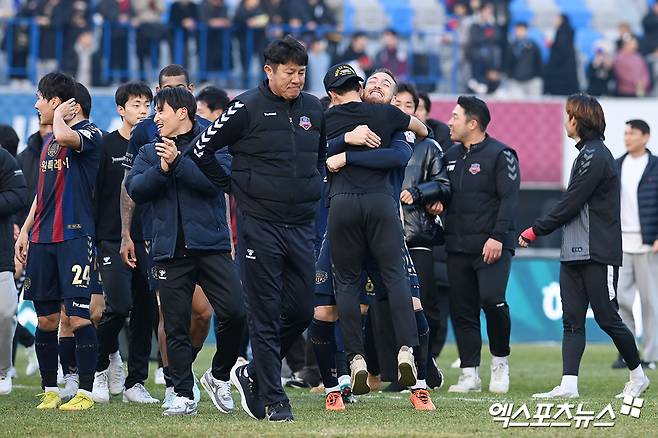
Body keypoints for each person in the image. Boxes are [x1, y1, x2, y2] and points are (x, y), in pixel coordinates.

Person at [188, 35, 326, 422]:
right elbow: (200, 149)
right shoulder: (246, 106)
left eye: (301, 72)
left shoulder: (314, 109)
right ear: (269, 71)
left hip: (301, 225)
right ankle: (274, 399)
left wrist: (311, 186)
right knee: (264, 314)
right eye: (289, 72)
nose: (296, 79)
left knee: (302, 310)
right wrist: (233, 187)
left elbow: (319, 158)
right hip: (259, 225)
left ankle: (251, 372)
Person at [520, 93, 650, 399]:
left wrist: (535, 230)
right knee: (572, 321)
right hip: (573, 250)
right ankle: (569, 385)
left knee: (607, 318)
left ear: (579, 119)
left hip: (598, 252)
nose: (565, 120)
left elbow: (571, 202)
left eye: (569, 114)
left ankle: (638, 376)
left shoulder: (596, 155)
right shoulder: (585, 154)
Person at [126, 87, 245, 417]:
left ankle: (218, 375)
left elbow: (217, 182)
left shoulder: (212, 141)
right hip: (168, 250)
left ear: (182, 113)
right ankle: (181, 393)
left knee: (235, 312)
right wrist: (162, 169)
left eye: (160, 111)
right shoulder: (150, 149)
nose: (155, 117)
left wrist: (178, 163)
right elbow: (135, 188)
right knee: (175, 325)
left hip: (211, 245)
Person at [322, 66, 428, 397]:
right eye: (372, 81)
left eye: (386, 83)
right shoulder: (388, 116)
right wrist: (345, 142)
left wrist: (345, 155)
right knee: (395, 279)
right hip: (380, 206)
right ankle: (405, 351)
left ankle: (356, 359)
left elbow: (313, 155)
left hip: (343, 205)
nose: (378, 85)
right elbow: (421, 129)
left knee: (347, 284)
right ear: (359, 88)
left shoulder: (328, 118)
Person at [120, 64, 212, 408]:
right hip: (157, 232)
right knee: (168, 313)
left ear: (190, 90)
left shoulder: (207, 130)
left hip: (201, 234)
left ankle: (185, 367)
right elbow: (130, 185)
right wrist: (126, 232)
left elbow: (218, 184)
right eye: (165, 90)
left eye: (179, 88)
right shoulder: (145, 131)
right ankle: (174, 381)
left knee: (202, 312)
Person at [15, 72, 103, 410]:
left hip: (74, 237)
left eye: (41, 98)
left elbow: (67, 135)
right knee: (46, 320)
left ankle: (85, 392)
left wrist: (61, 116)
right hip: (42, 238)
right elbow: (42, 193)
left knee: (78, 317)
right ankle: (51, 389)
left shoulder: (89, 133)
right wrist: (26, 230)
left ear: (58, 103)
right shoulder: (49, 141)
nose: (36, 105)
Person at [443, 95, 519, 394]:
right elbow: (443, 192)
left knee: (492, 301)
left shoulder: (502, 154)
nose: (449, 122)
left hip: (492, 246)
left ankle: (500, 363)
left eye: (455, 116)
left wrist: (498, 236)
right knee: (462, 311)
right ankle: (469, 373)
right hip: (456, 245)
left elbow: (510, 199)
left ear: (473, 123)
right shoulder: (449, 155)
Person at [91, 82, 159, 404]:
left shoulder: (154, 144)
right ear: (120, 109)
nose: (143, 111)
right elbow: (94, 195)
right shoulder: (105, 146)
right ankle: (101, 364)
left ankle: (135, 382)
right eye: (136, 104)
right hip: (110, 237)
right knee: (118, 306)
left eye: (147, 105)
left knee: (146, 309)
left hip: (148, 238)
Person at [395, 82, 451, 390]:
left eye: (409, 106)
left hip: (418, 235)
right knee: (382, 306)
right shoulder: (376, 140)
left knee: (422, 305)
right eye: (398, 104)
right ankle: (389, 370)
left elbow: (444, 184)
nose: (404, 110)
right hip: (383, 235)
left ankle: (424, 367)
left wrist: (418, 193)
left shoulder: (429, 146)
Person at [613, 119, 658, 370]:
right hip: (620, 244)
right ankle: (627, 354)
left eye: (632, 133)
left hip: (649, 244)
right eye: (625, 133)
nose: (627, 137)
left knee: (651, 303)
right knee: (620, 300)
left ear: (646, 137)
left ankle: (651, 356)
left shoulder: (655, 166)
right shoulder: (616, 165)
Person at [0, 146, 27, 395]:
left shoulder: (3, 157)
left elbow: (19, 194)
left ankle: (2, 370)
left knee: (6, 312)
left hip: (1, 254)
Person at [503, 22, 543, 98]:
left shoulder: (533, 45)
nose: (519, 32)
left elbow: (539, 62)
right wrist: (509, 76)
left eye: (522, 30)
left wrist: (537, 76)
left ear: (526, 31)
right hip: (515, 82)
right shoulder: (511, 46)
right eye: (518, 30)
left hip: (531, 81)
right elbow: (507, 63)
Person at [543, 14, 579, 96]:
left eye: (557, 19)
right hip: (568, 68)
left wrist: (553, 46)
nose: (555, 21)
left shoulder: (562, 32)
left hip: (561, 70)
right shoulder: (568, 32)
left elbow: (561, 49)